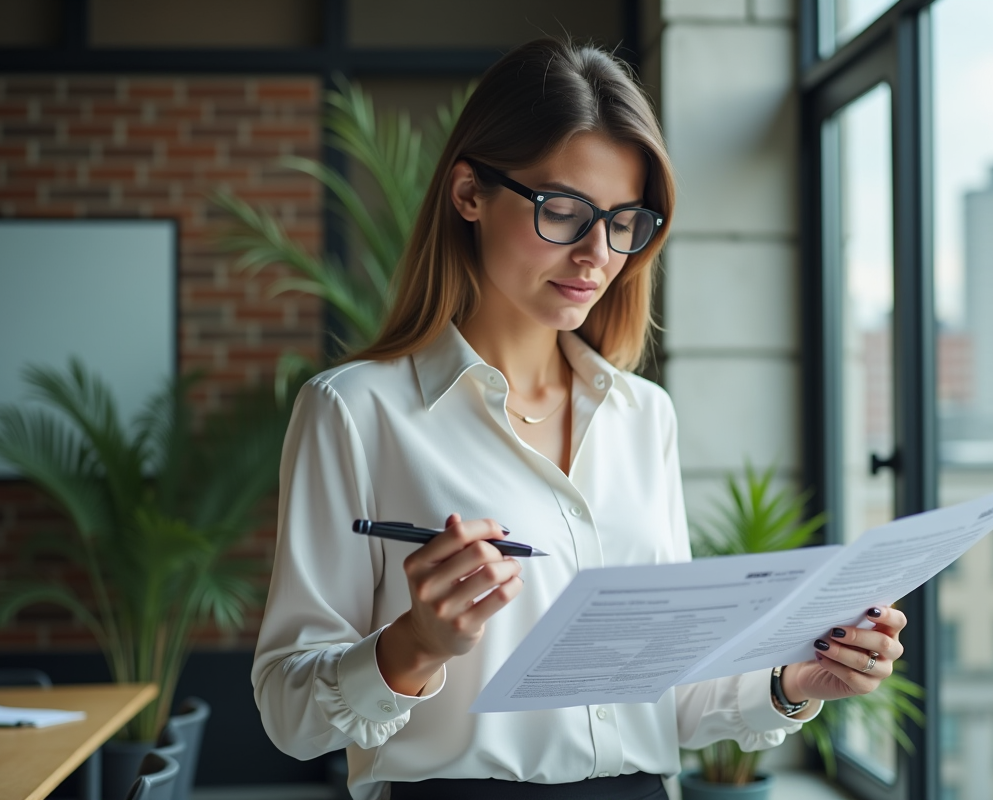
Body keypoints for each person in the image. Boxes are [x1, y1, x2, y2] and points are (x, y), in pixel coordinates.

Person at [250, 36, 908, 800]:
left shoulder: (641, 417)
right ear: (469, 193)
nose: (599, 253)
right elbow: (289, 716)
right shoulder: (355, 412)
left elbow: (666, 693)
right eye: (563, 211)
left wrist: (796, 682)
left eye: (626, 221)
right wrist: (413, 647)